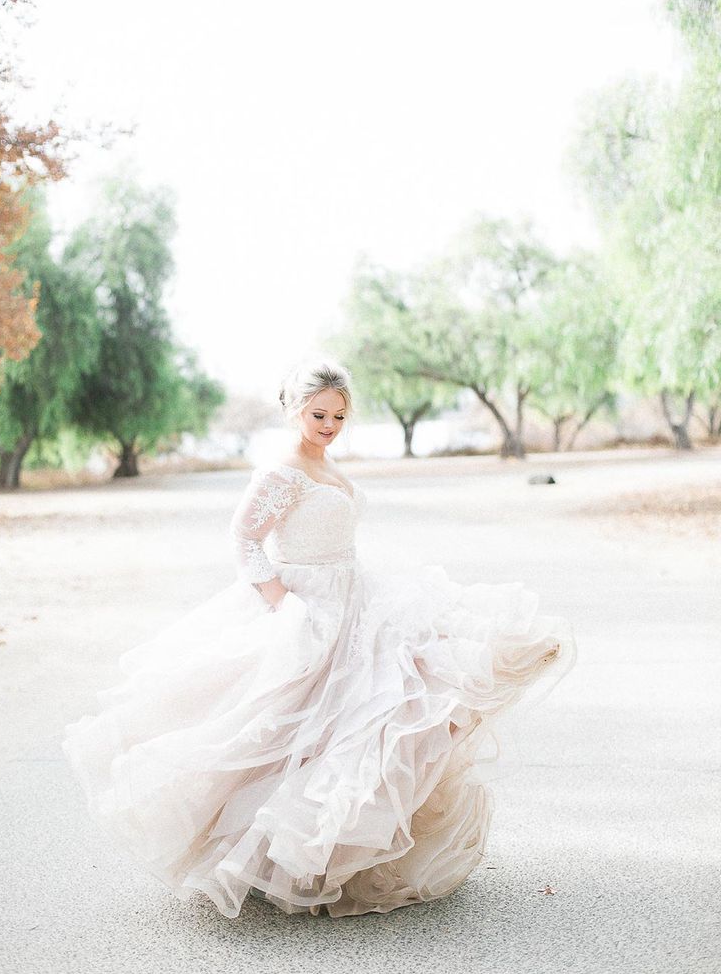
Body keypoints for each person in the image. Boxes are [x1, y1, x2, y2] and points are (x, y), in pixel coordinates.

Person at [62, 356, 576, 919]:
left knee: (374, 715)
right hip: (303, 605)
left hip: (354, 596)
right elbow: (245, 540)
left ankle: (338, 849)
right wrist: (285, 605)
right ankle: (270, 853)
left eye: (337, 415)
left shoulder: (328, 467)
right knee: (282, 729)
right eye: (318, 414)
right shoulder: (283, 469)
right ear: (295, 410)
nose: (328, 425)